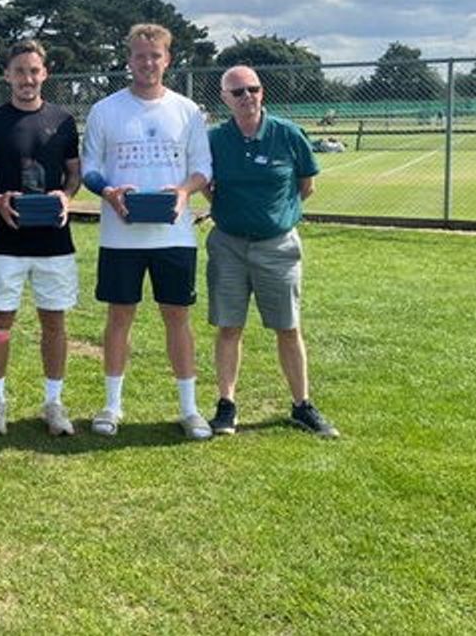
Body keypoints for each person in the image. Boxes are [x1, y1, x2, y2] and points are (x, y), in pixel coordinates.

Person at [80, 23, 213, 440]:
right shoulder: (106, 110)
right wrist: (110, 190)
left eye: (155, 55)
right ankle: (112, 405)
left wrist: (183, 191)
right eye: (140, 56)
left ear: (168, 59)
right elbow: (90, 169)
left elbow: (202, 168)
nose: (148, 63)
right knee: (120, 316)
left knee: (177, 317)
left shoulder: (188, 110)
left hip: (174, 236)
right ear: (129, 60)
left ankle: (189, 410)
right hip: (121, 236)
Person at [205, 65, 339, 438]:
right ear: (224, 98)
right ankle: (226, 406)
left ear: (263, 92)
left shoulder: (287, 134)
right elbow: (207, 184)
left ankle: (302, 405)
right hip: (228, 244)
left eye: (254, 89)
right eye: (238, 92)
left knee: (287, 327)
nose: (247, 97)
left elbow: (305, 185)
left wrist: (276, 217)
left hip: (277, 246)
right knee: (229, 326)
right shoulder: (215, 139)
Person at [0, 40, 81, 437]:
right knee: (1, 321)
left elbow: (74, 173)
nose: (27, 79)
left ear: (45, 73)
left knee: (54, 322)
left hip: (54, 241)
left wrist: (65, 198)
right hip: (5, 241)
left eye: (34, 71)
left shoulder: (64, 120)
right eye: (19, 71)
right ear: (7, 75)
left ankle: (53, 403)